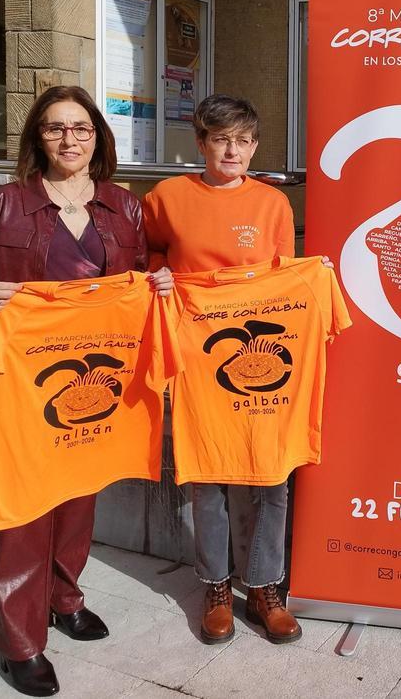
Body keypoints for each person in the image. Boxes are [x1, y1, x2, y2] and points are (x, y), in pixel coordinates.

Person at [0, 85, 173, 696]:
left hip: (98, 378)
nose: (68, 138)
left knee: (79, 492)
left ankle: (65, 598)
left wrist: (160, 284)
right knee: (23, 505)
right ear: (37, 139)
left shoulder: (126, 207)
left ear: (97, 137)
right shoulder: (6, 203)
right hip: (29, 380)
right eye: (54, 128)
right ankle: (19, 638)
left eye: (79, 128)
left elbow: (143, 278)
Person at [142, 93, 304, 646]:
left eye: (241, 140)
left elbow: (285, 279)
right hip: (195, 354)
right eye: (220, 139)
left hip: (259, 357)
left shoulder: (273, 205)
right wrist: (159, 275)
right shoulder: (166, 197)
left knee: (270, 471)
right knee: (206, 472)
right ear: (202, 143)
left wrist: (313, 276)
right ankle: (215, 586)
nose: (230, 149)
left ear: (254, 146)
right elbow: (150, 252)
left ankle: (264, 588)